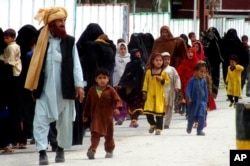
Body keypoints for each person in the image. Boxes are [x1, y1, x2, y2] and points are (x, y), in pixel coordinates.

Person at [24, 7, 85, 165]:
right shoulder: (42, 41)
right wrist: (33, 85)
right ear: (51, 24)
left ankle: (60, 149)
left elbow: (76, 65)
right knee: (40, 121)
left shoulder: (70, 41)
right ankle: (42, 152)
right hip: (45, 90)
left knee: (65, 123)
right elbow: (35, 64)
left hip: (65, 90)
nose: (62, 24)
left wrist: (79, 85)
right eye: (59, 21)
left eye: (64, 21)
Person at [82, 67, 122, 160]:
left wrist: (117, 108)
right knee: (95, 134)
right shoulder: (92, 91)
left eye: (104, 78)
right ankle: (92, 150)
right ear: (96, 79)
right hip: (96, 117)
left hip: (107, 118)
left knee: (109, 136)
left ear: (108, 79)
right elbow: (87, 104)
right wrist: (85, 115)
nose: (102, 80)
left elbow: (117, 100)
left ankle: (109, 150)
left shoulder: (111, 90)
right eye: (100, 78)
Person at [0, 28, 21, 154]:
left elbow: (10, 61)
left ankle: (4, 142)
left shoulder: (11, 48)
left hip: (6, 88)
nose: (5, 40)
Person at [142, 52, 170, 135]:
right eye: (157, 60)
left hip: (159, 96)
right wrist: (144, 92)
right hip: (150, 95)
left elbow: (168, 82)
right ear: (152, 61)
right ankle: (152, 124)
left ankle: (159, 129)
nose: (159, 62)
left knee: (159, 113)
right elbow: (145, 83)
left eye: (160, 60)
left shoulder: (163, 73)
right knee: (148, 112)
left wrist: (162, 80)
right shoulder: (148, 72)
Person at [118, 48, 146, 128]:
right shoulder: (130, 64)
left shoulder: (142, 64)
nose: (138, 54)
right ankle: (133, 120)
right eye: (136, 53)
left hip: (140, 88)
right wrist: (121, 83)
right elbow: (126, 75)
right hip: (131, 89)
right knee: (133, 105)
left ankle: (134, 120)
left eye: (139, 53)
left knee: (139, 105)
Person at [186, 62, 208, 136]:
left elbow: (206, 92)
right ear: (196, 71)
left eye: (204, 72)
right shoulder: (192, 81)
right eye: (201, 71)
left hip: (202, 102)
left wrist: (206, 102)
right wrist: (188, 97)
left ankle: (199, 130)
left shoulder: (204, 81)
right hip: (193, 103)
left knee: (202, 116)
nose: (203, 74)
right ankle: (189, 127)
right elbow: (188, 89)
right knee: (191, 116)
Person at [162, 52, 181, 129]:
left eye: (168, 59)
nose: (166, 61)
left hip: (170, 91)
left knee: (169, 107)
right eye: (165, 59)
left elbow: (177, 78)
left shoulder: (172, 69)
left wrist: (177, 86)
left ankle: (167, 123)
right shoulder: (158, 69)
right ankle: (159, 122)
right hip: (161, 91)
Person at [113, 42, 130, 125]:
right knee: (116, 99)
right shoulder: (115, 58)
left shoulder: (129, 58)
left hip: (125, 82)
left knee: (123, 100)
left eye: (124, 49)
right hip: (116, 81)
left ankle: (122, 116)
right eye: (121, 49)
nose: (123, 50)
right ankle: (116, 116)